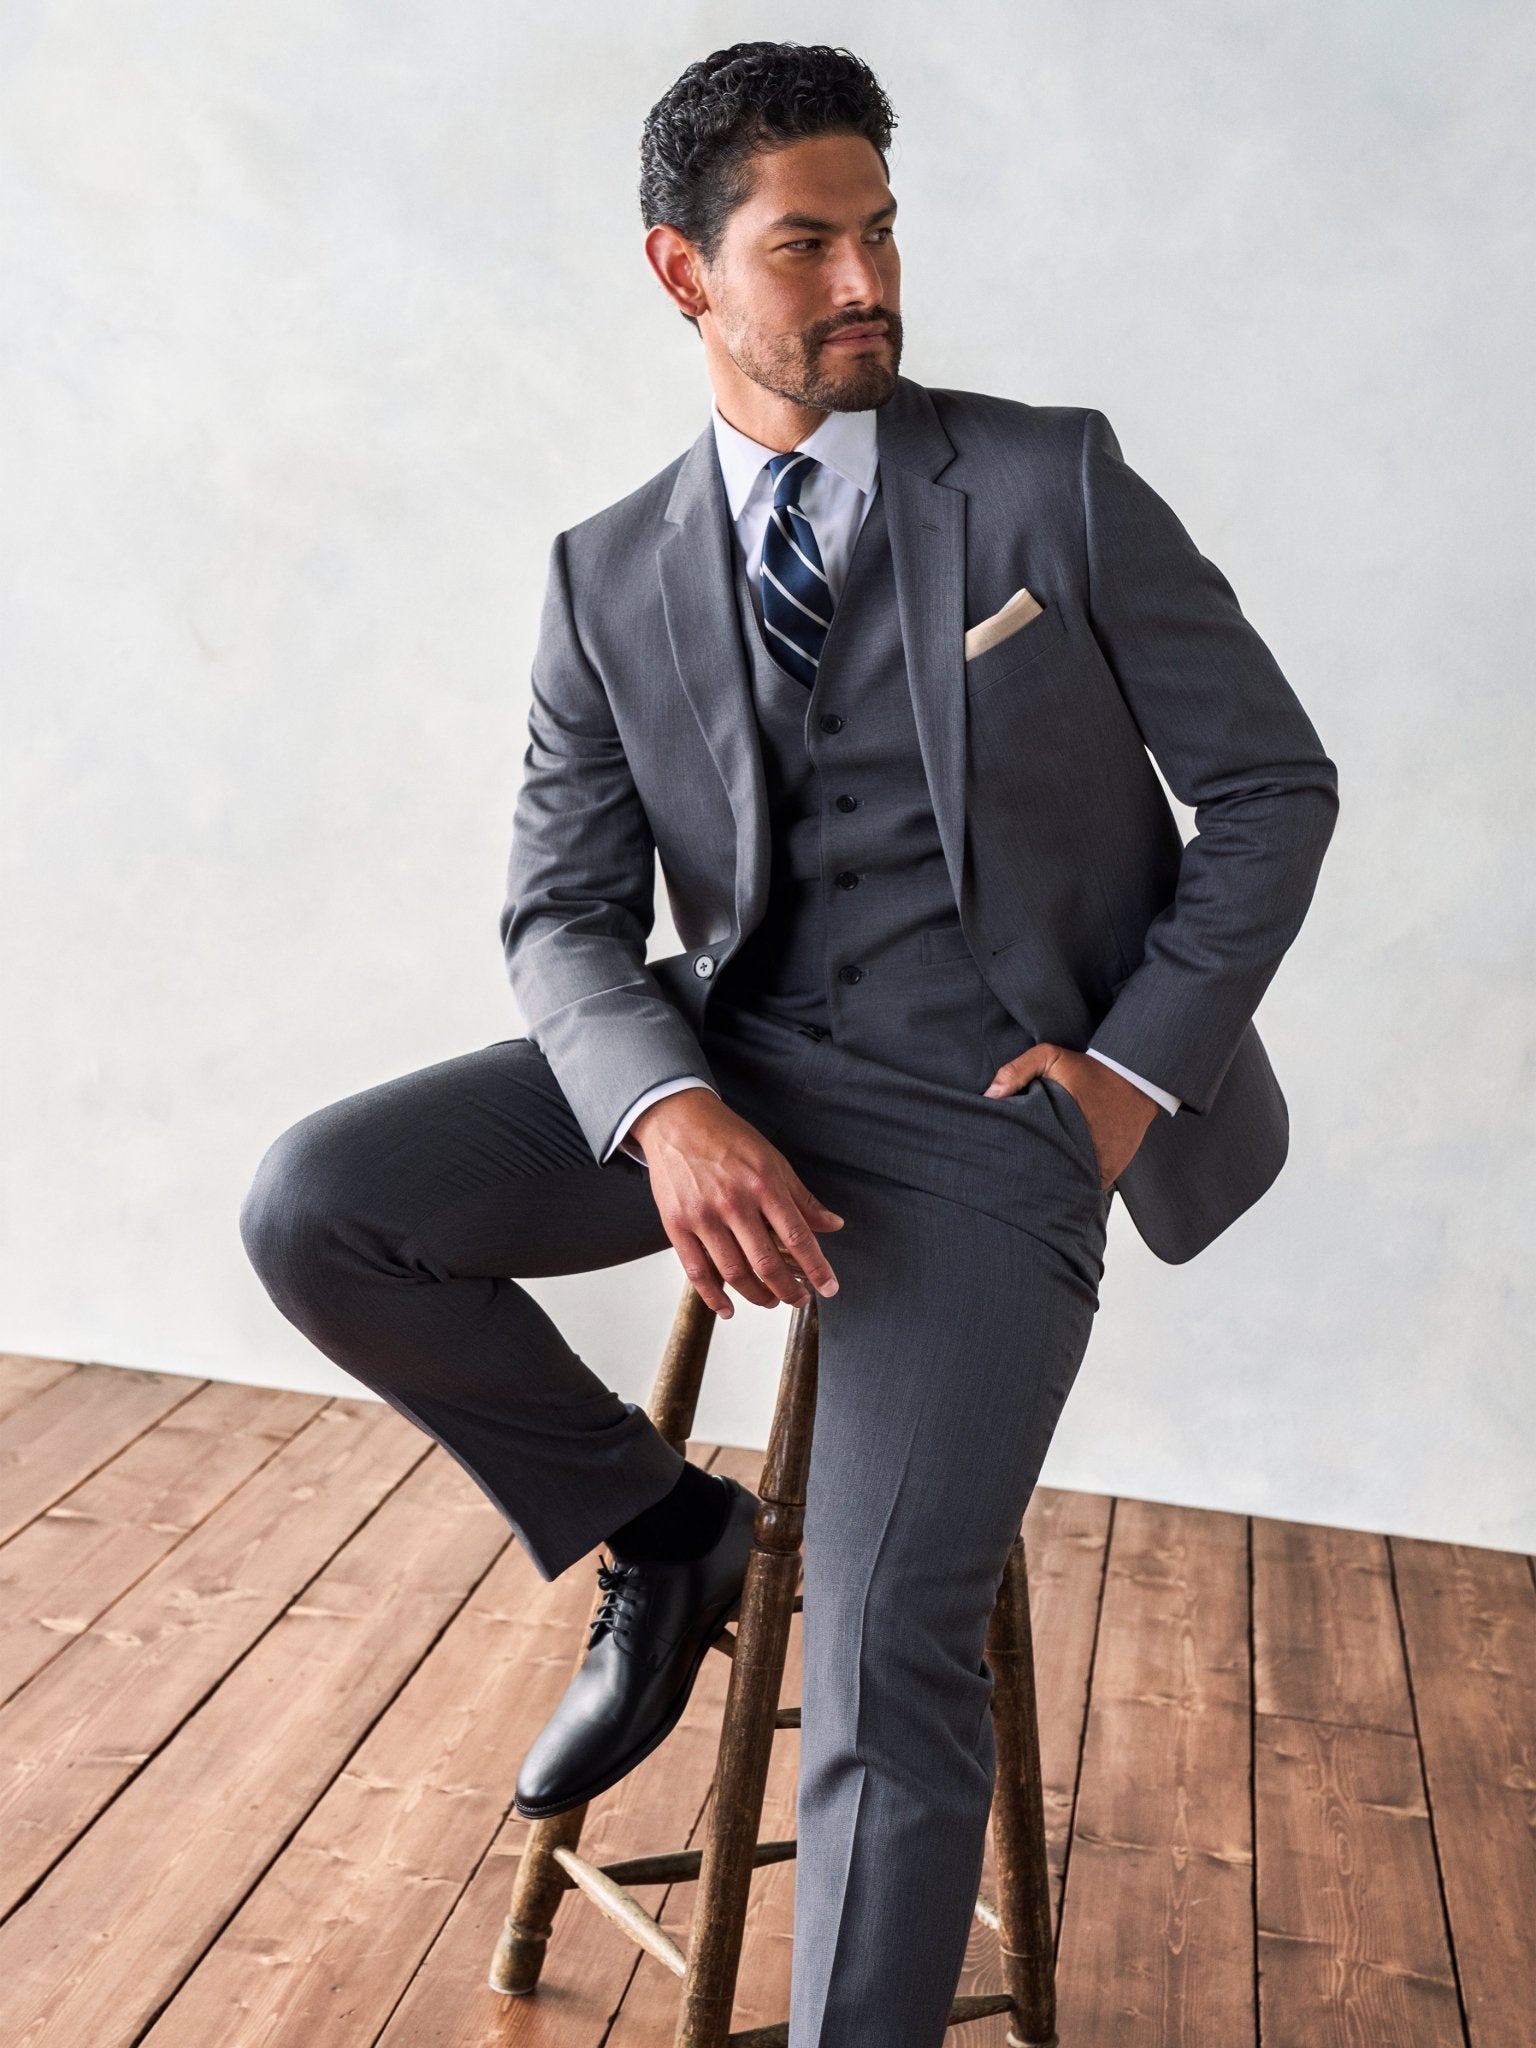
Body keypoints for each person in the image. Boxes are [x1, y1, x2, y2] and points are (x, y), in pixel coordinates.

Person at [239, 39, 1338, 2047]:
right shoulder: (608, 570)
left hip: (999, 1128)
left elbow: (1271, 786)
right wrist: (664, 1108)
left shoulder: (1048, 481)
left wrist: (1123, 1078)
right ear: (683, 272)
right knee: (322, 1205)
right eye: (806, 243)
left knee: (896, 1630)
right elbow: (563, 913)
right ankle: (665, 1528)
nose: (865, 284)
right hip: (737, 1075)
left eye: (884, 233)